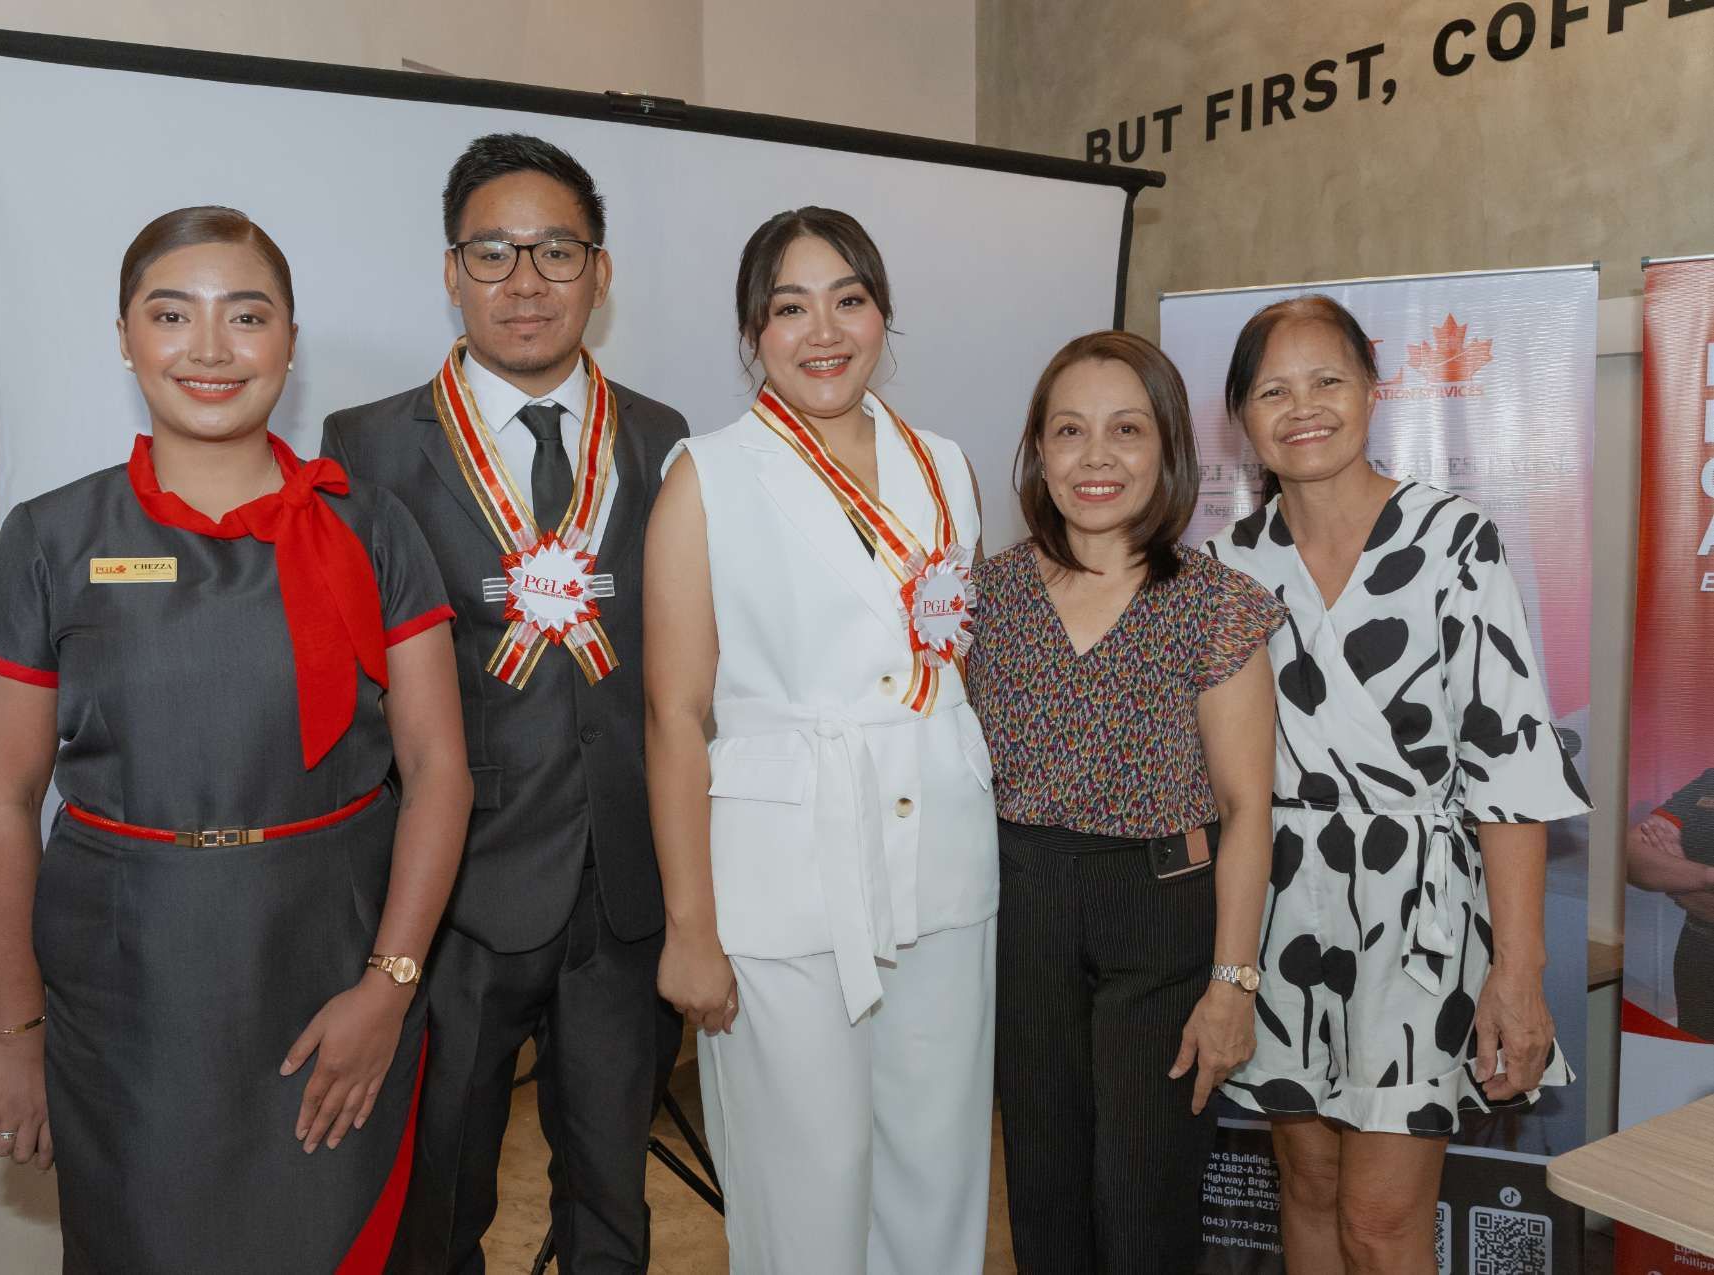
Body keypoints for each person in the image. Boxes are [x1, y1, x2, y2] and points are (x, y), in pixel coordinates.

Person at [0, 206, 473, 1272]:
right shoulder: (52, 539)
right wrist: (15, 1034)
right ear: (124, 337)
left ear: (288, 343)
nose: (208, 349)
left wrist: (387, 987)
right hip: (125, 1001)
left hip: (330, 980)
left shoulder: (372, 528)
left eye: (246, 316)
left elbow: (436, 775)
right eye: (170, 315)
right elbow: (0, 805)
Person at [322, 133, 686, 1274]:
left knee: (613, 1211)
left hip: (626, 893)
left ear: (600, 270)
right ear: (450, 270)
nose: (524, 281)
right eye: (492, 252)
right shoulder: (367, 447)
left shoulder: (668, 438)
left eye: (555, 251)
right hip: (456, 900)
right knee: (436, 1208)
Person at [1204, 294, 1591, 1272]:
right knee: (1309, 1191)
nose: (1302, 407)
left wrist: (1516, 972)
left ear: (1371, 392)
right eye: (1270, 390)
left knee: (1380, 1222)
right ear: (1239, 417)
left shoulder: (1455, 541)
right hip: (1277, 916)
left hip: (1416, 922)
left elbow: (1506, 769)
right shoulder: (1225, 566)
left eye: (1325, 380)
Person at [644, 207, 998, 1274]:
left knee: (936, 1169)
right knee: (806, 1181)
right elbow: (671, 715)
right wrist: (688, 928)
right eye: (788, 307)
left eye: (848, 298)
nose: (822, 330)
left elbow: (946, 664)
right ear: (753, 332)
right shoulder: (705, 476)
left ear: (883, 313)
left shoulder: (943, 464)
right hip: (779, 874)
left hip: (937, 857)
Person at [963, 331, 1280, 1274]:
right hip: (1020, 908)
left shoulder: (1218, 603)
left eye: (1126, 430)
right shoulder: (984, 596)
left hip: (1161, 919)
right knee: (1045, 1198)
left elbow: (1247, 806)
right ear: (1037, 451)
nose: (1095, 456)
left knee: (1144, 1208)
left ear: (1170, 450)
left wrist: (1231, 984)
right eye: (1069, 430)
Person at [1627, 770, 1714, 1040]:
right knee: (1695, 1066)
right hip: (1698, 955)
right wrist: (1707, 876)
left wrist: (1678, 879)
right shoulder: (1711, 780)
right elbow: (1632, 856)